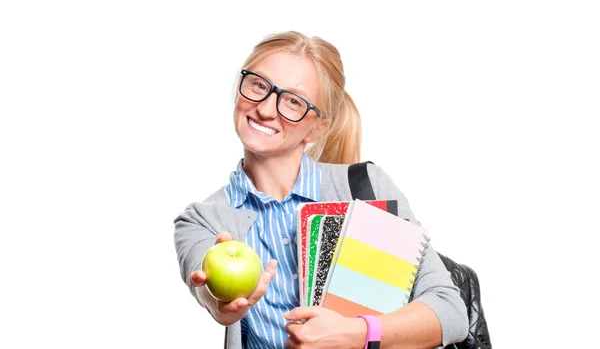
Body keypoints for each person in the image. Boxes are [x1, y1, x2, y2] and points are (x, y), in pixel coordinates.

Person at [174, 31, 468, 348]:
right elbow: (207, 292)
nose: (266, 109)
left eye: (293, 101)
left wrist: (357, 334)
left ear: (317, 127)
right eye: (259, 85)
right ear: (239, 88)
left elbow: (450, 313)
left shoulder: (366, 191)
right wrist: (219, 299)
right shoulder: (202, 220)